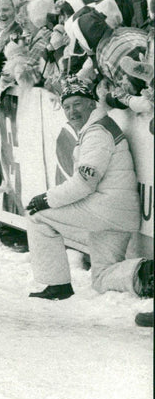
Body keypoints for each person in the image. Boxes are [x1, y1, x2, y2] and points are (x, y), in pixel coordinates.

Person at [25, 76, 152, 300]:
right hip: (117, 213)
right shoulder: (97, 127)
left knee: (38, 216)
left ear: (92, 104)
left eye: (77, 104)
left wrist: (46, 199)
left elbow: (84, 183)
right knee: (101, 278)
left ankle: (58, 285)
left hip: (106, 209)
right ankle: (145, 272)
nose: (72, 112)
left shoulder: (97, 132)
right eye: (66, 107)